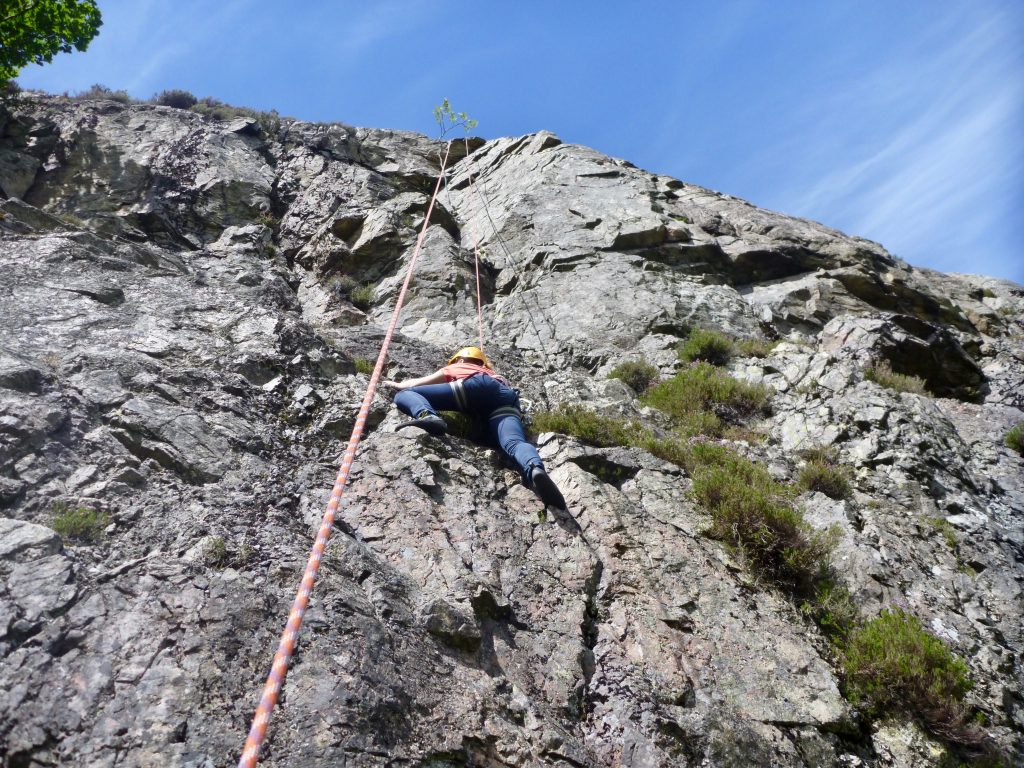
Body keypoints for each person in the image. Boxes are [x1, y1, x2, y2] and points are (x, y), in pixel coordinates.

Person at [383, 346, 567, 510]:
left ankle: (428, 416)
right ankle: (534, 467)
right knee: (514, 442)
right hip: (507, 399)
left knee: (406, 394)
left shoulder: (461, 366)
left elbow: (418, 383)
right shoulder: (495, 375)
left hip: (476, 387)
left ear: (461, 359)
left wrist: (398, 385)